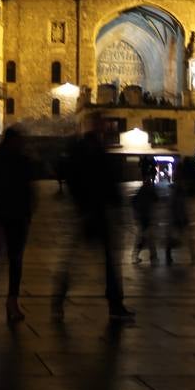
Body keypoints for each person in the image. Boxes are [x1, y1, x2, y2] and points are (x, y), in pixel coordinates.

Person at [53, 113, 133, 321]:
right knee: (83, 259)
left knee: (100, 260)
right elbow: (84, 179)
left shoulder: (93, 148)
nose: (105, 128)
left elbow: (106, 181)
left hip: (97, 212)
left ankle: (113, 303)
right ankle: (61, 296)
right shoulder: (88, 149)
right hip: (91, 212)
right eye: (102, 125)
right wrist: (86, 205)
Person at [0, 128, 37, 322]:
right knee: (11, 259)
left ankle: (11, 300)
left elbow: (29, 187)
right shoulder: (3, 160)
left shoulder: (20, 160)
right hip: (5, 214)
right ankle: (4, 297)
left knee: (14, 259)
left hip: (16, 215)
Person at [131, 160, 158, 264]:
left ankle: (151, 257)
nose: (149, 180)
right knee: (146, 238)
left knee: (146, 238)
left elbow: (134, 202)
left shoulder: (143, 190)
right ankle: (150, 257)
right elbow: (156, 199)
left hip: (144, 217)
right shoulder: (146, 190)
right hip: (145, 218)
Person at [165, 177, 195, 264]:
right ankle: (192, 255)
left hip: (179, 219)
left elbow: (179, 208)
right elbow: (180, 208)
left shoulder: (177, 195)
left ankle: (169, 253)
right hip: (179, 219)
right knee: (184, 238)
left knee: (184, 238)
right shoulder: (178, 195)